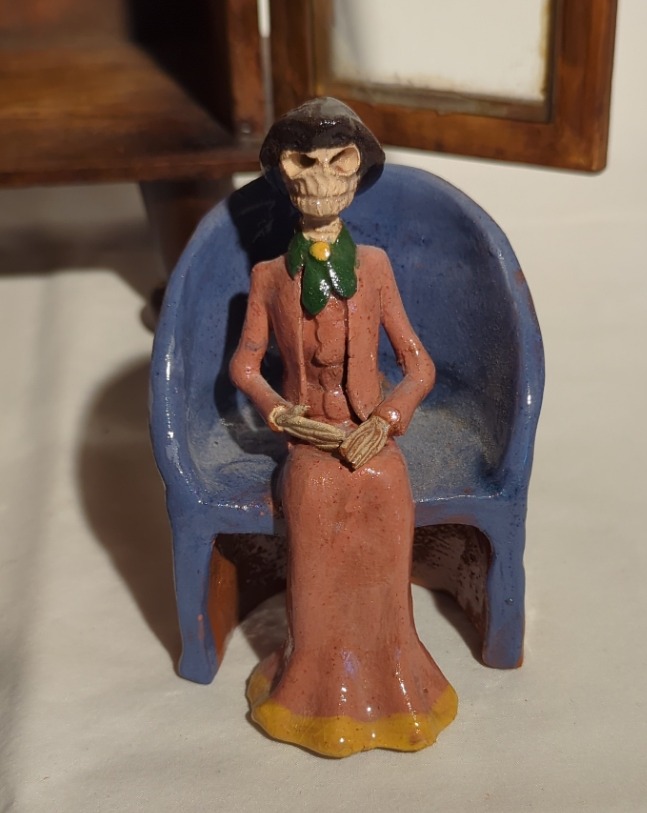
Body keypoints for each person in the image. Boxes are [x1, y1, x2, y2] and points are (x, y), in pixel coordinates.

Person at [230, 97, 457, 757]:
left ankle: (393, 672)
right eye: (303, 163)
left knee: (386, 487)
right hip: (311, 440)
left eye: (339, 162)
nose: (321, 181)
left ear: (357, 175)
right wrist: (282, 414)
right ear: (283, 174)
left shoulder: (375, 268)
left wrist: (385, 421)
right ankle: (312, 682)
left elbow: (418, 365)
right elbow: (245, 364)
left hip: (369, 434)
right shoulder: (268, 277)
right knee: (314, 495)